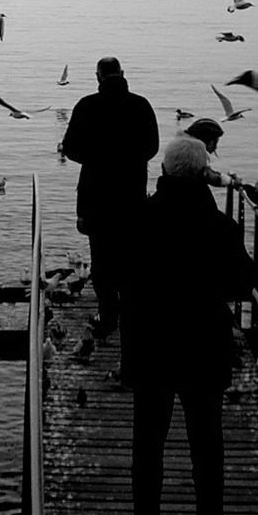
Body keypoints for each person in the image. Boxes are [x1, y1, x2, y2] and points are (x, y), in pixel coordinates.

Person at [122, 133, 258, 515]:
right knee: (207, 448)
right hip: (203, 349)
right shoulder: (221, 225)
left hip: (151, 348)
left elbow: (119, 278)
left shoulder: (140, 218)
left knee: (147, 448)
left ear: (164, 171)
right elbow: (244, 286)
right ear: (204, 173)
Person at [60, 56, 159, 340]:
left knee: (101, 258)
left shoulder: (87, 105)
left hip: (96, 194)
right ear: (122, 73)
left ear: (98, 77)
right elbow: (152, 147)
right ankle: (130, 314)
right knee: (130, 255)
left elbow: (69, 147)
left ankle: (108, 316)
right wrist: (130, 160)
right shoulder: (141, 105)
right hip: (132, 193)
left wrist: (94, 159)